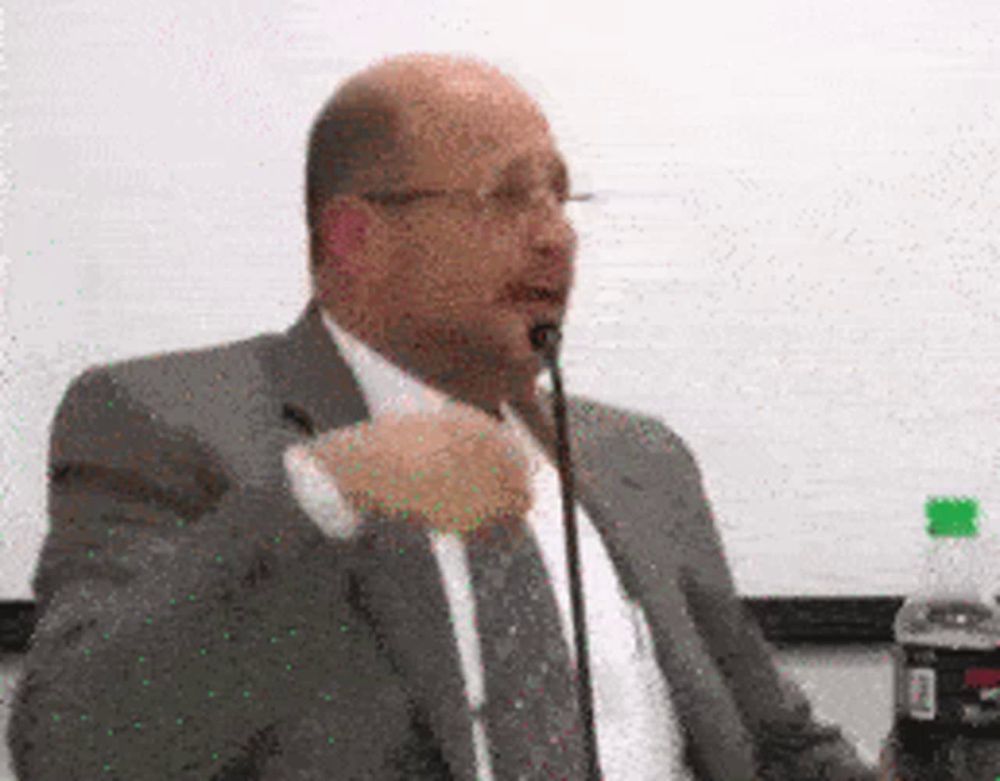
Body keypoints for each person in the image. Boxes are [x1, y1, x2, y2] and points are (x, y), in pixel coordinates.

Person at [7, 53, 880, 780]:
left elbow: (780, 748)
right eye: (507, 197)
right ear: (354, 239)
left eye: (561, 198)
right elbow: (76, 748)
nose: (556, 238)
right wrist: (331, 491)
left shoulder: (640, 459)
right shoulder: (170, 423)